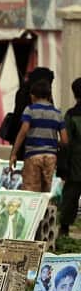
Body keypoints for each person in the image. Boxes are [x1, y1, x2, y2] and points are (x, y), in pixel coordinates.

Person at [10, 77, 66, 192]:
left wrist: (14, 153)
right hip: (51, 157)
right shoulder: (57, 113)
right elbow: (65, 140)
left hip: (33, 155)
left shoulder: (30, 110)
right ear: (49, 95)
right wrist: (53, 144)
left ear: (33, 96)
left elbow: (23, 131)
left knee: (31, 191)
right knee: (46, 192)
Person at [60, 78, 81, 235]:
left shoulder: (71, 115)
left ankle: (64, 228)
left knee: (70, 197)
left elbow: (65, 143)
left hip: (75, 165)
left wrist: (63, 167)